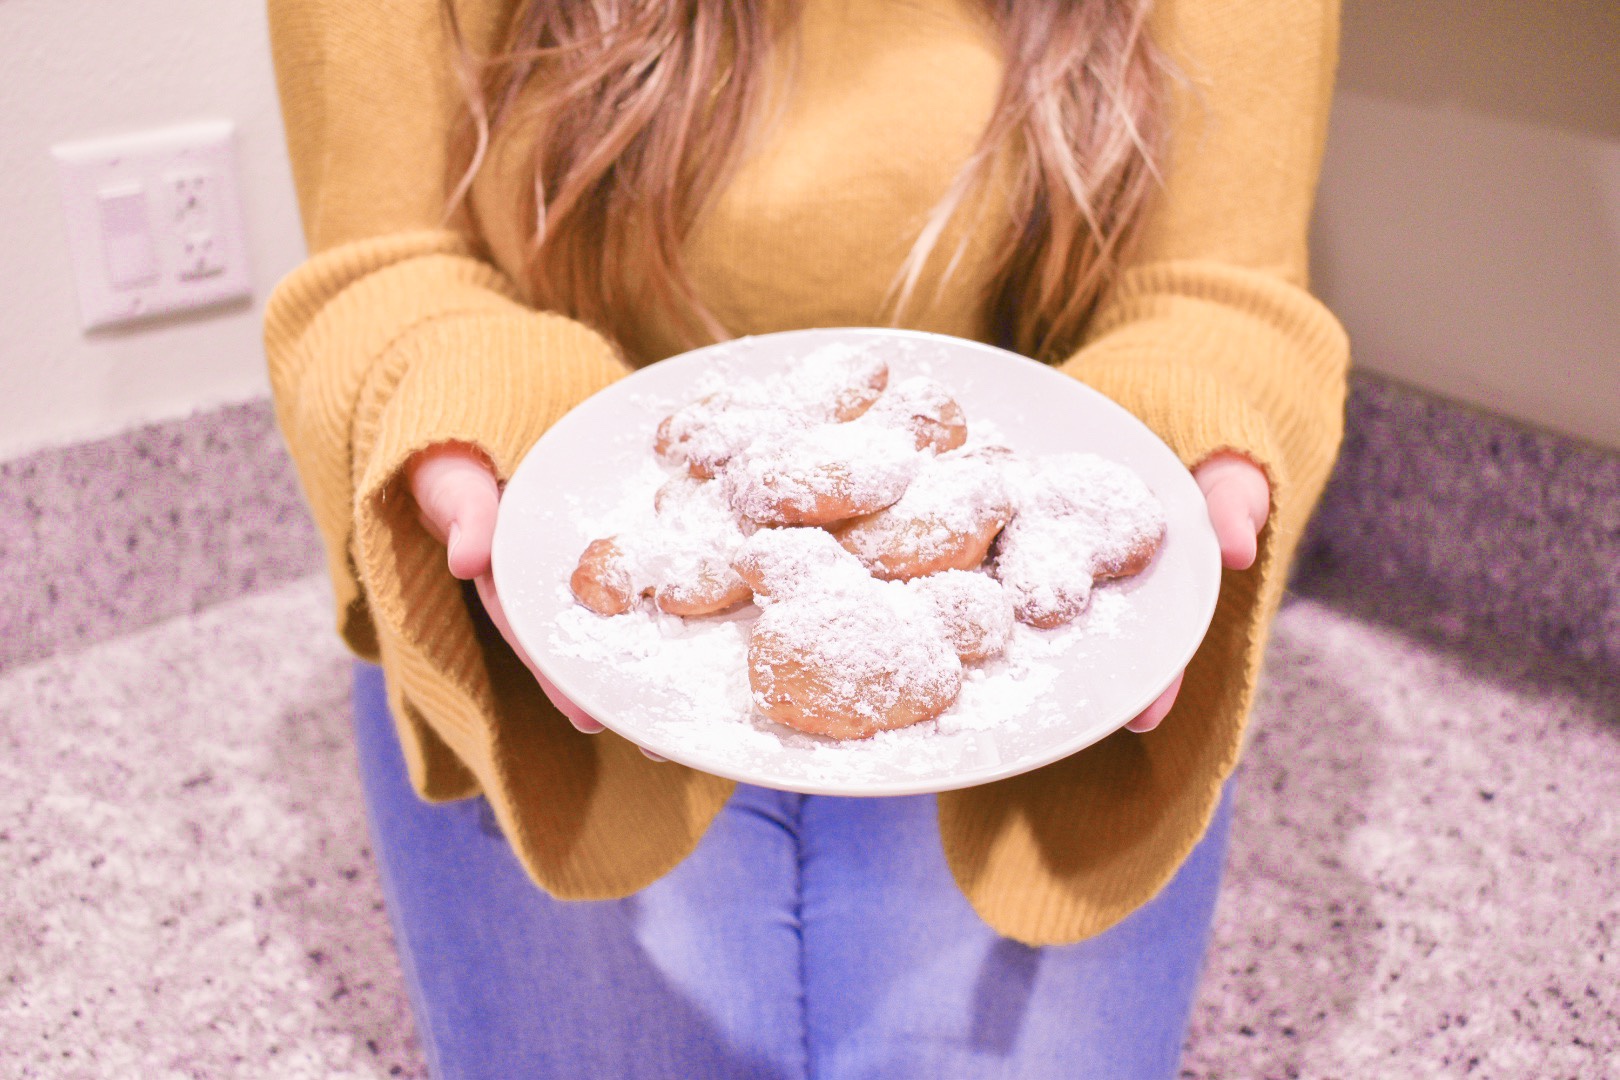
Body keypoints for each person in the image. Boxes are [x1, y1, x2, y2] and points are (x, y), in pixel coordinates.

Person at [264, 0, 1348, 1075]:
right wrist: (488, 418)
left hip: (1033, 682)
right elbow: (386, 260)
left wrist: (1176, 431)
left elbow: (1221, 289)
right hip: (544, 622)